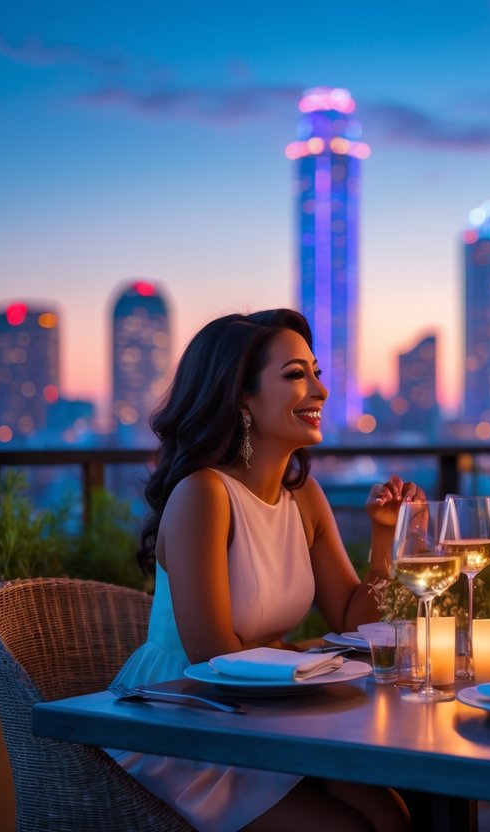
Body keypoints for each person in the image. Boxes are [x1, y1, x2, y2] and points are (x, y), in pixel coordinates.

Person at [109, 309, 416, 832]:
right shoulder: (203, 494)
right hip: (186, 720)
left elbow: (349, 615)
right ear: (243, 399)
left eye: (316, 372)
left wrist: (387, 535)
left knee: (395, 815)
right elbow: (213, 657)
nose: (319, 390)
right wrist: (301, 656)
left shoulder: (305, 497)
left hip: (270, 711)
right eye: (297, 375)